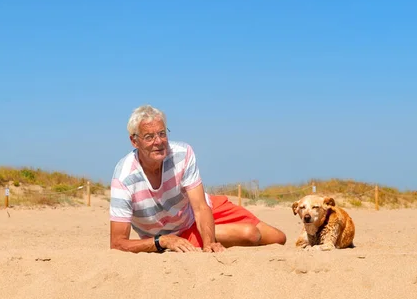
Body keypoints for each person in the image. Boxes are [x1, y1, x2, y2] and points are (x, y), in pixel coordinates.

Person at [109, 105, 286, 253]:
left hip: (203, 211)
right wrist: (161, 241)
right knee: (250, 233)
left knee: (279, 238)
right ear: (134, 141)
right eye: (149, 137)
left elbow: (201, 207)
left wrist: (209, 243)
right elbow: (117, 243)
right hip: (175, 235)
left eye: (162, 133)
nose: (158, 141)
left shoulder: (182, 154)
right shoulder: (124, 178)